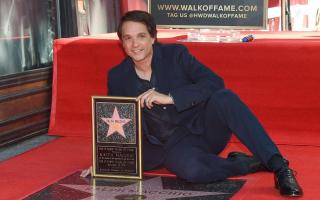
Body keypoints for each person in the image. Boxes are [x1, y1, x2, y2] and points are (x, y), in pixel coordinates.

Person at [107, 10, 303, 197]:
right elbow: (120, 122)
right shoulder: (116, 77)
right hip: (169, 146)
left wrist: (172, 97)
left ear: (153, 37)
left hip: (203, 130)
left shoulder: (176, 55)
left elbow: (214, 82)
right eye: (128, 38)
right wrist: (106, 161)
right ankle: (248, 164)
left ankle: (279, 167)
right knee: (194, 172)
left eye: (141, 36)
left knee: (225, 98)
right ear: (121, 42)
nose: (134, 44)